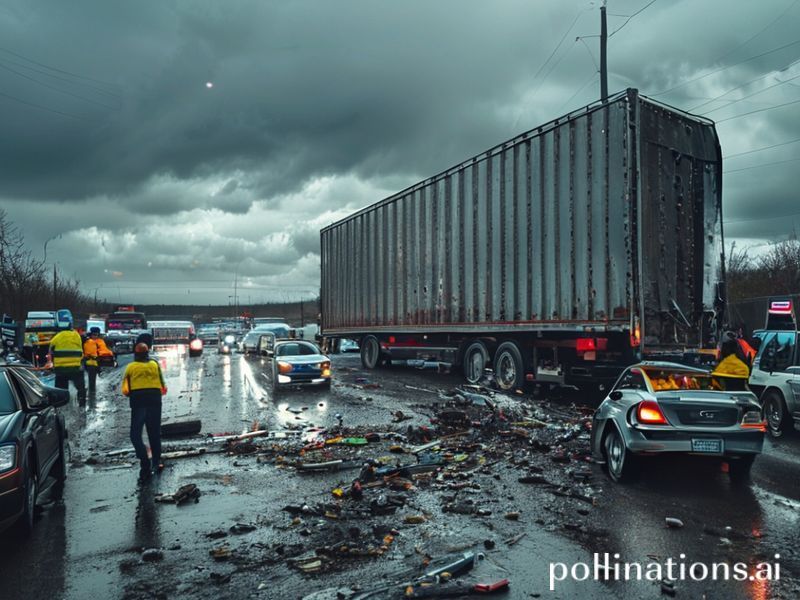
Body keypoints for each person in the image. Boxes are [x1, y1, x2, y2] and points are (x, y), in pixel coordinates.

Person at [121, 343, 167, 480]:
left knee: (135, 434)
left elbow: (125, 390)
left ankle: (144, 460)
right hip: (155, 400)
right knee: (154, 433)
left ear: (135, 354)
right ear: (148, 353)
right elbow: (163, 386)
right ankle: (156, 462)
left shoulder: (131, 367)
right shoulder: (154, 365)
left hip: (138, 401)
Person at [49, 323, 87, 405]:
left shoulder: (57, 336)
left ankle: (60, 404)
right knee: (80, 387)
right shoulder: (76, 335)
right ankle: (82, 402)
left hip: (61, 368)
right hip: (75, 368)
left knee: (61, 389)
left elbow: (51, 348)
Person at [83, 327, 112, 394]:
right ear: (90, 334)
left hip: (97, 362)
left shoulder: (100, 341)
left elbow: (104, 350)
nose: (95, 336)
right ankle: (90, 390)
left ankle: (92, 390)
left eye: (96, 335)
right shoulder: (87, 341)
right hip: (88, 362)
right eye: (93, 334)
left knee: (93, 377)